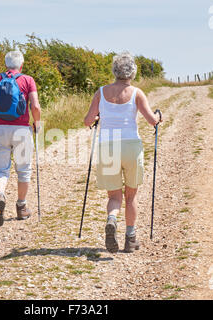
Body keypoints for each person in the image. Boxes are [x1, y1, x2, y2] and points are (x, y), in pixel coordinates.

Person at [84, 52, 162, 253]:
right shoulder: (137, 93)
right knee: (131, 194)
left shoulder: (101, 92)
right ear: (132, 72)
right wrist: (158, 117)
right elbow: (151, 120)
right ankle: (130, 237)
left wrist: (97, 118)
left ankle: (112, 219)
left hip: (107, 146)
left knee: (114, 196)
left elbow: (87, 120)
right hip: (130, 146)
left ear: (114, 71)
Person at [0, 50, 41, 227]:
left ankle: (0, 194)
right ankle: (21, 207)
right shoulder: (27, 80)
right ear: (21, 65)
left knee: (0, 169)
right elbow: (35, 106)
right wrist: (37, 124)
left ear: (6, 64)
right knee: (24, 169)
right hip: (22, 129)